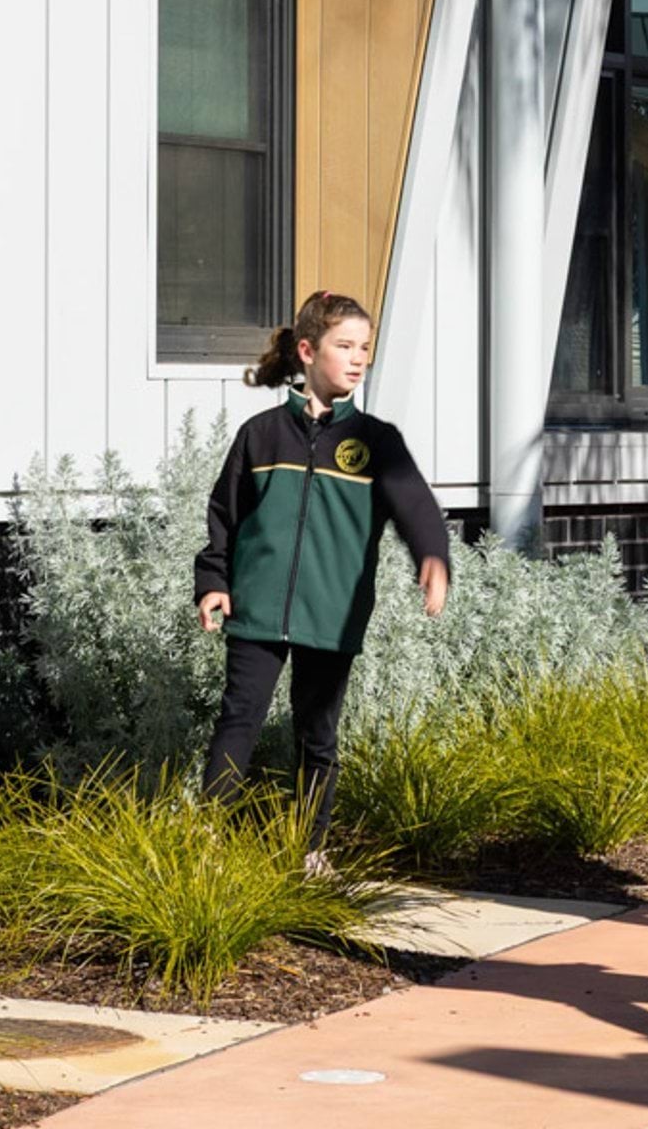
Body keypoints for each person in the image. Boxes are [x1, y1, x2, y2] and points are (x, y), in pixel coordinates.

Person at [194, 289, 450, 866]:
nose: (359, 358)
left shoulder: (375, 442)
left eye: (366, 348)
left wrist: (432, 554)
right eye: (345, 346)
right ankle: (205, 843)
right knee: (239, 718)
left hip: (332, 615)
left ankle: (309, 852)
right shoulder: (261, 436)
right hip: (256, 609)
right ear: (307, 351)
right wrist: (214, 580)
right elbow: (223, 517)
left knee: (317, 736)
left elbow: (415, 505)